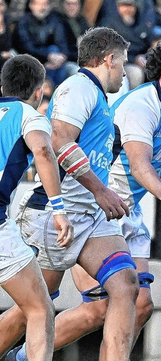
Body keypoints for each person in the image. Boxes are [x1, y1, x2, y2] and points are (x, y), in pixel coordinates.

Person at [36, 32, 161, 354]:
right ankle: (23, 354)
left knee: (142, 304)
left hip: (127, 209)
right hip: (91, 206)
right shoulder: (140, 105)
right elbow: (139, 164)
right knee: (98, 308)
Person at [0, 27, 139, 361]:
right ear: (109, 59)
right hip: (55, 215)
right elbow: (59, 141)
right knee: (33, 309)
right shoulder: (79, 87)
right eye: (122, 63)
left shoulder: (98, 99)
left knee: (125, 285)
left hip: (88, 217)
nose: (123, 71)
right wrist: (101, 191)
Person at [0, 54, 73, 361]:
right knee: (39, 309)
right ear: (40, 90)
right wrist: (58, 208)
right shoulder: (29, 114)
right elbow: (43, 150)